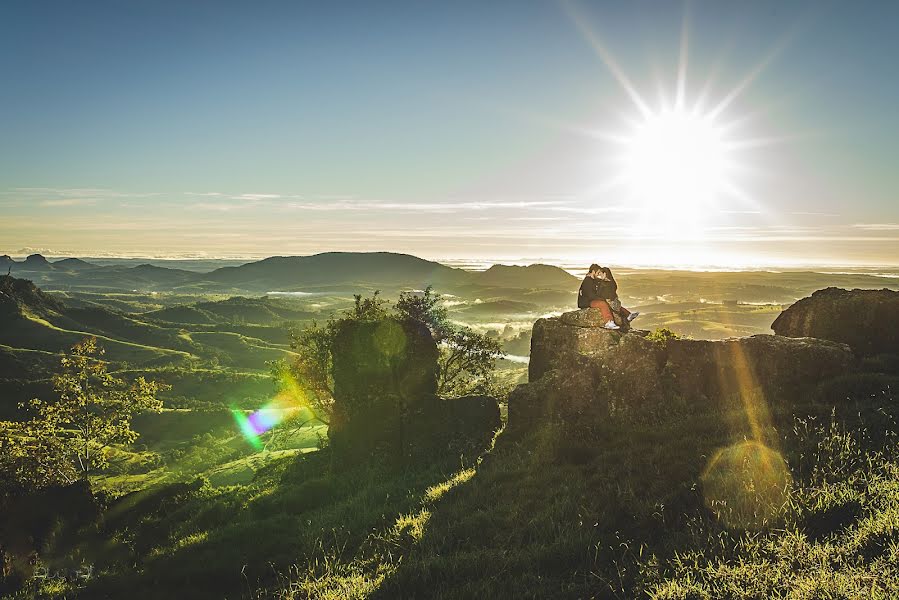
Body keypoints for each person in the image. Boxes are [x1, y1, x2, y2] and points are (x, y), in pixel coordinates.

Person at [577, 264, 619, 329]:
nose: (599, 274)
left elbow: (602, 281)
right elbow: (591, 296)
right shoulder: (587, 281)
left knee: (609, 302)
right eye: (598, 272)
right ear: (593, 271)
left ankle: (627, 315)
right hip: (587, 302)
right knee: (602, 304)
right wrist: (603, 299)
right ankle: (609, 322)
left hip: (591, 300)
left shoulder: (593, 279)